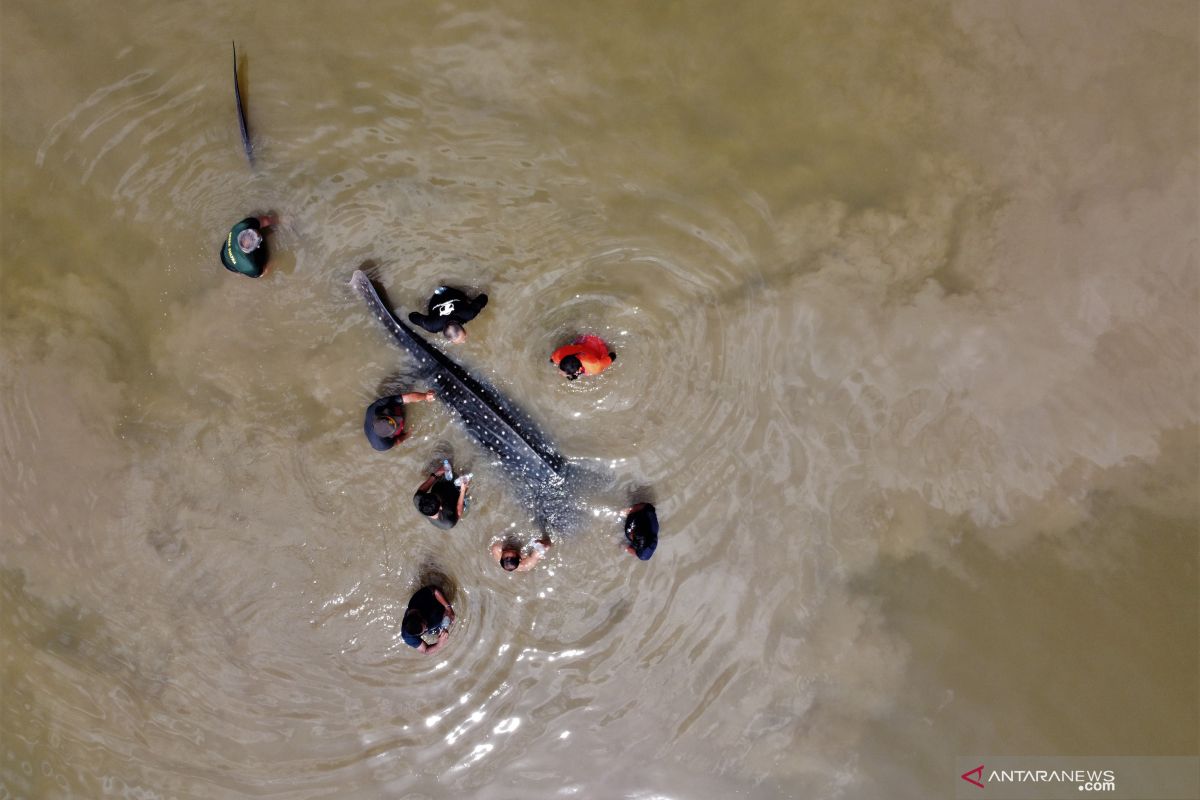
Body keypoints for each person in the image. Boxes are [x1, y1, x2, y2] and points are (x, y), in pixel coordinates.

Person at [408, 286, 489, 343]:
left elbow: (412, 316)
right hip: (445, 293)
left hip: (444, 294)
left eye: (462, 340)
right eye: (463, 339)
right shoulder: (432, 325)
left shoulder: (468, 313)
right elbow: (412, 316)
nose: (464, 342)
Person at [363, 390, 435, 451]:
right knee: (400, 425)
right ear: (391, 436)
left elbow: (407, 398)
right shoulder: (382, 445)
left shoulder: (374, 408)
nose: (399, 419)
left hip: (376, 420)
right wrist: (407, 435)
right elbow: (397, 441)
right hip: (379, 435)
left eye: (394, 418)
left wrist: (426, 396)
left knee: (397, 403)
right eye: (396, 423)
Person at [413, 461, 470, 529]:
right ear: (441, 507)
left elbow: (426, 484)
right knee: (466, 493)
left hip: (441, 487)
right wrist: (463, 490)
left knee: (447, 467)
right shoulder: (447, 523)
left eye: (435, 495)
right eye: (438, 497)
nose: (439, 496)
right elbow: (458, 513)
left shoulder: (418, 499)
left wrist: (437, 473)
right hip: (453, 502)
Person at [401, 585, 455, 654]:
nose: (426, 628)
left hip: (435, 606)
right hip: (435, 621)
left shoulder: (417, 601)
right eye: (424, 630)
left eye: (425, 625)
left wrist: (448, 608)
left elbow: (434, 590)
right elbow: (425, 650)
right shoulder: (408, 636)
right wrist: (439, 644)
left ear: (419, 614)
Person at [551, 334, 616, 380]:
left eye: (563, 372)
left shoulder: (594, 366)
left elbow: (613, 356)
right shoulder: (558, 355)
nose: (559, 372)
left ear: (578, 371)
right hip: (584, 343)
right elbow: (552, 360)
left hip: (598, 347)